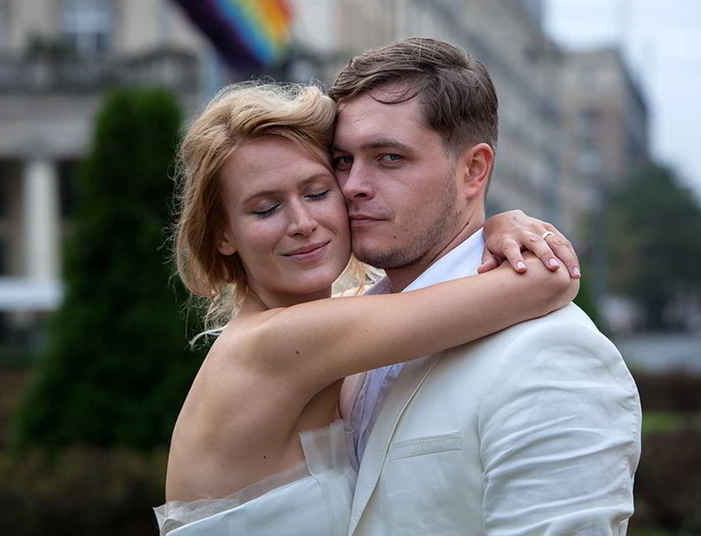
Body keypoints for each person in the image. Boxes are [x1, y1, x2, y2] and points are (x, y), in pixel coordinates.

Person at [154, 80, 580, 535]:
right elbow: (546, 280)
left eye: (317, 193)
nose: (302, 223)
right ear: (223, 235)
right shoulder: (278, 343)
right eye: (265, 209)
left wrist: (498, 225)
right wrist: (499, 227)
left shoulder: (333, 336)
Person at [329, 37, 642, 535]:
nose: (352, 185)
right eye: (342, 160)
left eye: (388, 157)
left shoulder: (553, 352)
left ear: (473, 170)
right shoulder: (342, 331)